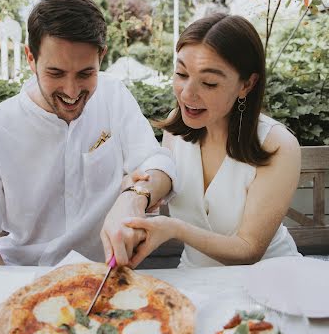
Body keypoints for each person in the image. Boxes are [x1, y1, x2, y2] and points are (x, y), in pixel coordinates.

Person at [0, 0, 175, 267]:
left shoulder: (113, 95)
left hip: (105, 273)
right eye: (55, 73)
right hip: (23, 275)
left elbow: (156, 162)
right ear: (31, 59)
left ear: (101, 57)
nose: (72, 91)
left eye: (85, 73)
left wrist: (134, 198)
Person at [125, 13, 301, 268]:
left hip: (269, 280)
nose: (187, 93)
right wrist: (136, 193)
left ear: (247, 85)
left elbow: (249, 248)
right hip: (195, 279)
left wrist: (175, 228)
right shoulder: (177, 126)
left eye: (208, 82)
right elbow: (162, 182)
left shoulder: (277, 144)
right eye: (182, 73)